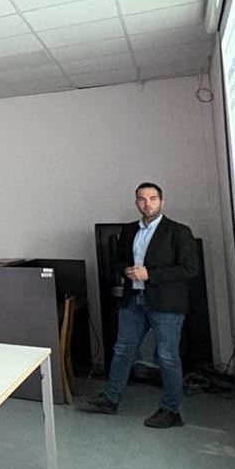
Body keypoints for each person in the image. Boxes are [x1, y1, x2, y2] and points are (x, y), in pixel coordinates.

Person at [82, 182, 199, 428]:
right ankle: (110, 398)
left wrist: (150, 274)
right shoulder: (128, 231)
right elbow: (118, 260)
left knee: (167, 356)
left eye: (153, 198)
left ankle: (171, 410)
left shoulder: (179, 231)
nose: (148, 204)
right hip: (133, 299)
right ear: (136, 203)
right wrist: (125, 270)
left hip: (165, 304)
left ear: (162, 202)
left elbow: (189, 269)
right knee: (123, 349)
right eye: (142, 199)